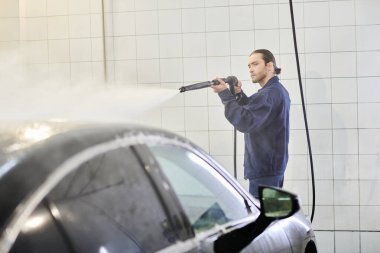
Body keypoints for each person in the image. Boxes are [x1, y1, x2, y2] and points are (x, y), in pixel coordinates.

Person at [211, 49, 290, 198]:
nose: (250, 69)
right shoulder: (275, 91)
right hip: (269, 171)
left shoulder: (269, 94)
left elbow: (245, 121)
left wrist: (225, 94)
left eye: (255, 64)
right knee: (269, 218)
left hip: (265, 174)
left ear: (269, 65)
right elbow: (256, 113)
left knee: (262, 220)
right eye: (248, 66)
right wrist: (239, 94)